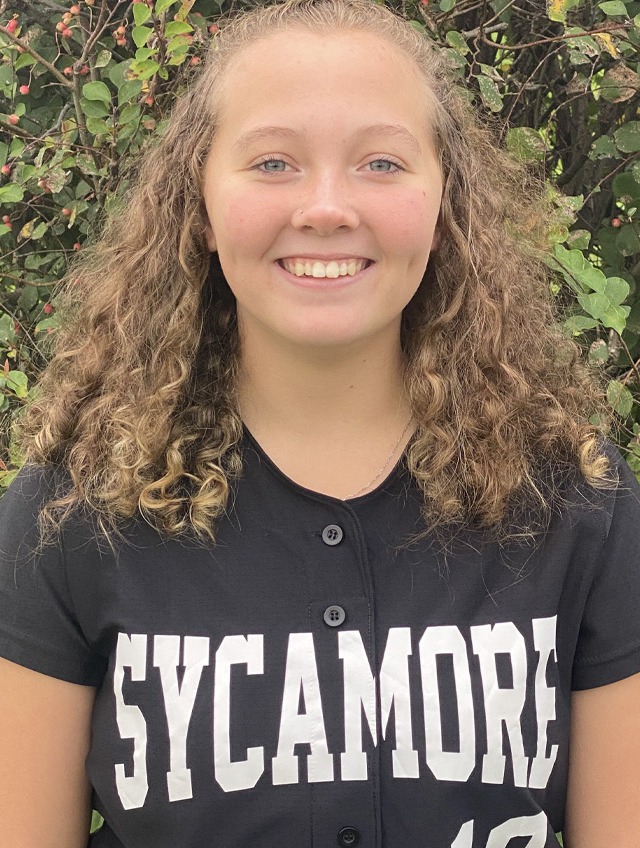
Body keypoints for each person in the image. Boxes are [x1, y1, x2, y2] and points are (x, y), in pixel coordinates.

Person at [1, 0, 639, 845]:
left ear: (445, 206)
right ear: (199, 205)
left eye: (381, 161)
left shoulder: (577, 500)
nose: (328, 207)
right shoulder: (72, 510)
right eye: (273, 162)